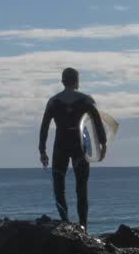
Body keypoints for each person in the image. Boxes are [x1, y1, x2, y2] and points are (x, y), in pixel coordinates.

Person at [39, 67, 106, 231]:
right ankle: (83, 227)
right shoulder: (86, 100)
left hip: (60, 145)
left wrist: (42, 151)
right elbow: (97, 122)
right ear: (77, 82)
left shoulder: (53, 101)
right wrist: (103, 144)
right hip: (79, 145)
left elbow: (45, 127)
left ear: (62, 82)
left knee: (58, 187)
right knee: (81, 188)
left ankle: (65, 223)